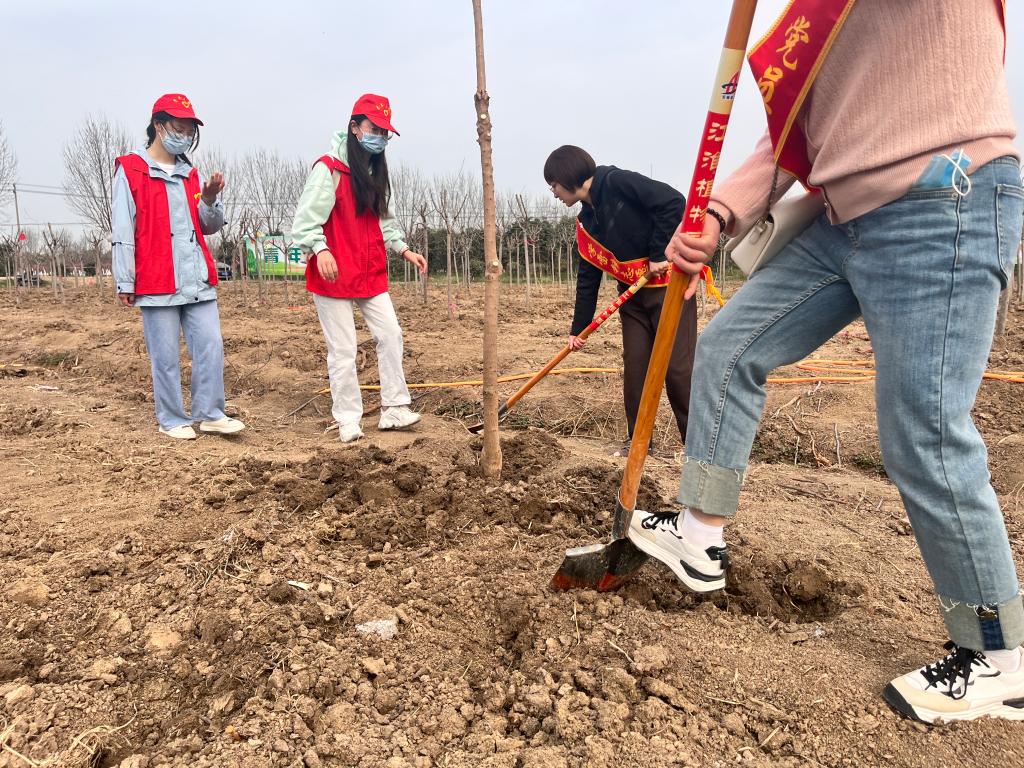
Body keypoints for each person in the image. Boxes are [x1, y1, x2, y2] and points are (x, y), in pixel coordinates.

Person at [629, 0, 1024, 723]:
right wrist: (718, 216)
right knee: (729, 345)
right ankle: (700, 535)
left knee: (925, 433)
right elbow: (791, 139)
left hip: (943, 194)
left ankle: (999, 658)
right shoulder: (808, 26)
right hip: (840, 219)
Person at [292, 94, 427, 443]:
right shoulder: (329, 169)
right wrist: (320, 249)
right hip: (334, 272)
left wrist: (403, 249)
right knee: (343, 349)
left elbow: (385, 221)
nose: (379, 137)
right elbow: (305, 222)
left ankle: (394, 407)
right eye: (373, 129)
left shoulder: (376, 172)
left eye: (384, 132)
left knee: (391, 334)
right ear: (354, 128)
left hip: (369, 271)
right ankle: (348, 419)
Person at [544, 145, 693, 457]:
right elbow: (588, 276)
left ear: (567, 176)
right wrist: (579, 329)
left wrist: (658, 252)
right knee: (635, 367)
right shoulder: (586, 221)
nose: (554, 192)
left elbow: (673, 202)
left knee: (677, 370)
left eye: (554, 184)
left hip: (668, 287)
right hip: (632, 297)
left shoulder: (616, 182)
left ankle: (697, 447)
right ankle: (638, 443)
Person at [112, 93, 245, 440]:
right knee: (165, 355)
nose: (184, 136)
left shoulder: (190, 173)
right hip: (157, 277)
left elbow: (208, 227)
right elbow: (123, 229)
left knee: (210, 346)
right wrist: (125, 280)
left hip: (196, 277)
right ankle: (172, 418)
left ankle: (211, 413)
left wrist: (211, 199)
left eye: (189, 131)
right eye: (178, 128)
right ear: (158, 126)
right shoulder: (131, 169)